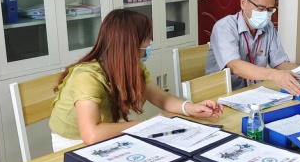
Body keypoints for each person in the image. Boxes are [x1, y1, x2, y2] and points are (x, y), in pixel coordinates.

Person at [49, 9, 223, 151]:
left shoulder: (133, 67)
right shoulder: (86, 77)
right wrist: (148, 125)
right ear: (132, 44)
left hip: (103, 133)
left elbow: (161, 98)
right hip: (73, 142)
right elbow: (91, 134)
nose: (149, 44)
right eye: (147, 38)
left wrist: (191, 108)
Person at [205, 0, 300, 95]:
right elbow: (234, 66)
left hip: (253, 92)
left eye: (270, 10)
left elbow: (279, 63)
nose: (265, 14)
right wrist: (274, 75)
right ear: (243, 3)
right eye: (261, 8)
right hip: (221, 94)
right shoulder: (224, 27)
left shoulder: (268, 27)